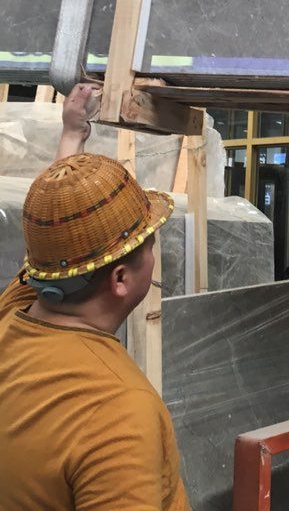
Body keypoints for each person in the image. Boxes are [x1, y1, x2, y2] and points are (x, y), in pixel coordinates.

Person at [0, 83, 190, 510]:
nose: (154, 253)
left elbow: (58, 234)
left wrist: (72, 135)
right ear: (120, 279)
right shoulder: (116, 409)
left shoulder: (15, 313)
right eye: (149, 244)